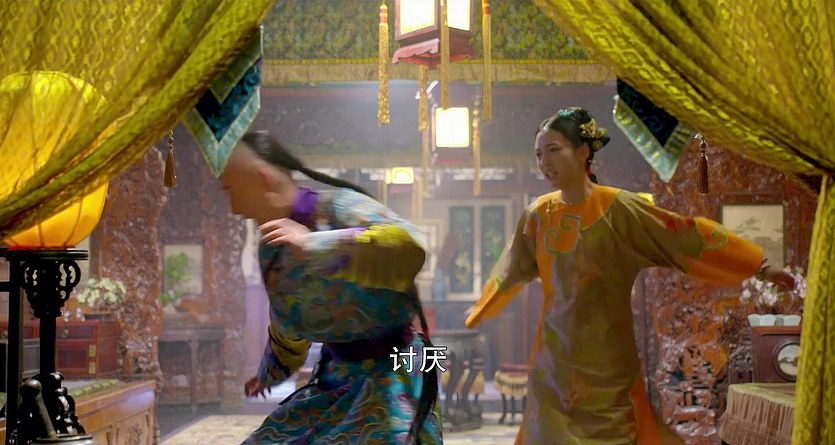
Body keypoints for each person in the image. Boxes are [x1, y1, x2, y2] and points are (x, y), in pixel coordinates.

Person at [464, 107, 795, 445]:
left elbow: (683, 234)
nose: (544, 162)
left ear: (583, 151)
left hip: (608, 366)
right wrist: (481, 309)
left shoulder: (619, 209)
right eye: (538, 154)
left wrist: (759, 265)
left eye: (553, 150)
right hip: (553, 363)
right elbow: (511, 269)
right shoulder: (537, 215)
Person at [220, 131, 443, 444]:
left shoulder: (339, 207)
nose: (234, 208)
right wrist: (269, 373)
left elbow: (410, 246)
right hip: (337, 376)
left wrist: (315, 244)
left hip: (395, 373)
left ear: (263, 179)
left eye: (232, 191)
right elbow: (287, 324)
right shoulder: (270, 249)